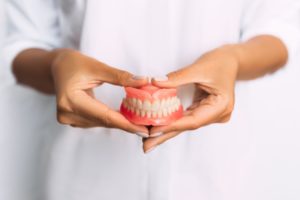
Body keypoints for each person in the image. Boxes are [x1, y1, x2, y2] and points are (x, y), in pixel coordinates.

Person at [2, 0, 300, 199]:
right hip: (83, 176)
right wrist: (57, 67)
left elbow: (277, 31)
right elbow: (23, 44)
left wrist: (234, 60)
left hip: (217, 173)